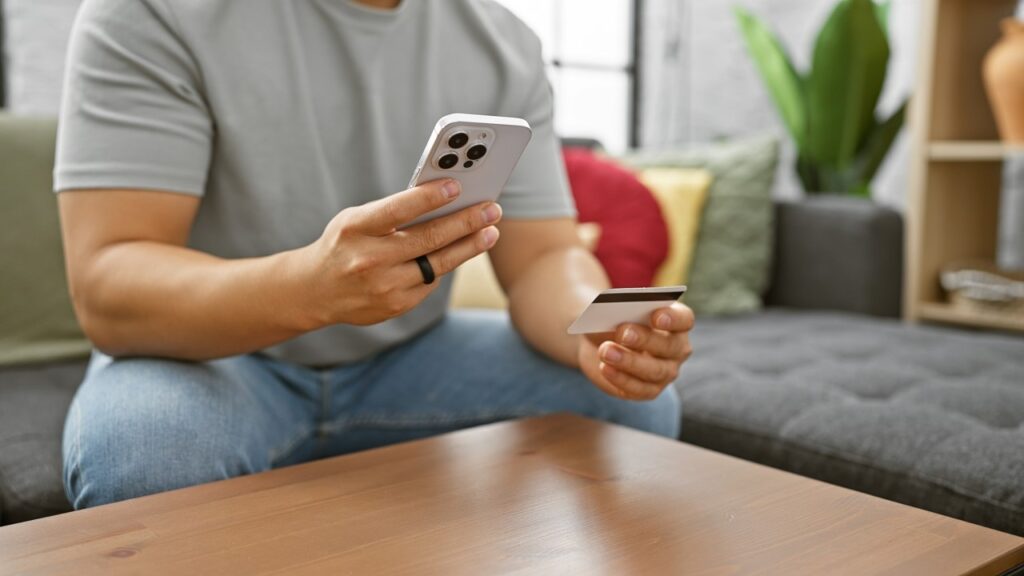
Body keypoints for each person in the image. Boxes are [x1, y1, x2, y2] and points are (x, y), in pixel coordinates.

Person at [56, 0, 693, 509]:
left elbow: (542, 258)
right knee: (146, 451)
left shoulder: (503, 43)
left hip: (410, 355)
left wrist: (599, 327)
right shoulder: (149, 12)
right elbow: (110, 284)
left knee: (630, 401)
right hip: (211, 362)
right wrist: (307, 290)